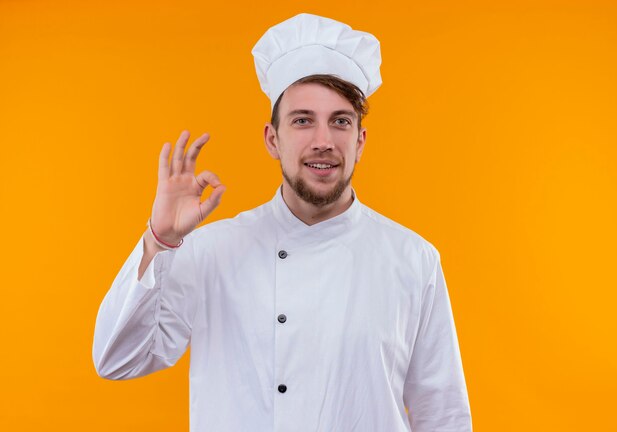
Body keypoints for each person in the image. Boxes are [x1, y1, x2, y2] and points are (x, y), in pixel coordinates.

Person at [93, 13, 472, 432]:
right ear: (273, 139)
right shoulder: (212, 250)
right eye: (303, 120)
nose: (323, 141)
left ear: (360, 140)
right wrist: (158, 241)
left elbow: (443, 415)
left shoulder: (414, 259)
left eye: (341, 121)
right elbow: (118, 359)